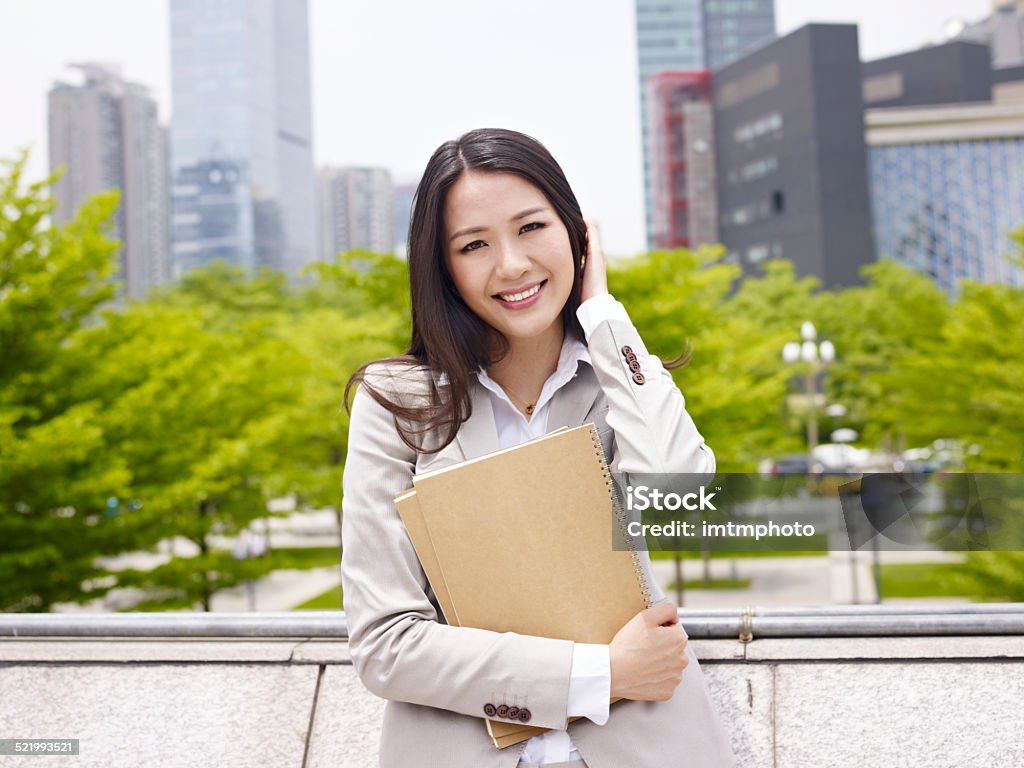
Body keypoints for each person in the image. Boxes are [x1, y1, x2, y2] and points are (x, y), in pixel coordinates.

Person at [340, 128, 736, 768]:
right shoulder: (397, 404)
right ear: (444, 269)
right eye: (474, 245)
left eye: (531, 228)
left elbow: (680, 501)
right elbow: (387, 644)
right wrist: (601, 673)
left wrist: (603, 313)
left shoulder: (619, 384)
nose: (512, 265)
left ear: (578, 234)